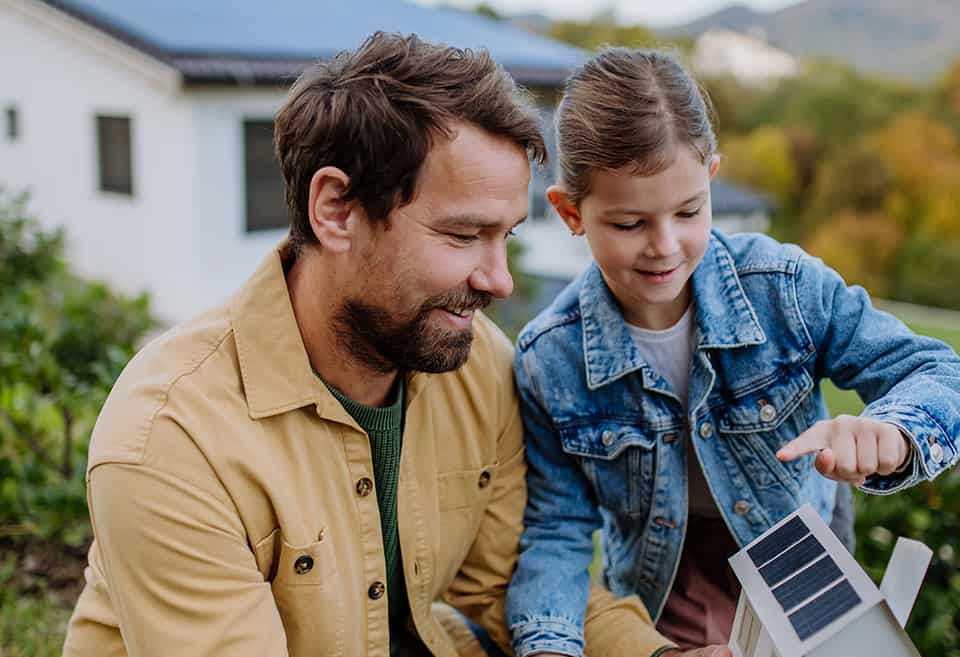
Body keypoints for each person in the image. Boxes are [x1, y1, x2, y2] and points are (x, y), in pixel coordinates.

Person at [61, 33, 704, 657]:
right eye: (462, 236)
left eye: (504, 235)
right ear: (337, 210)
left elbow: (516, 581)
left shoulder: (478, 364)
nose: (500, 281)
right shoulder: (171, 439)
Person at [505, 47, 960, 657]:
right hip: (661, 602)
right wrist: (552, 646)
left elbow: (937, 371)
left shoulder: (787, 290)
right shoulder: (548, 360)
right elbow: (557, 532)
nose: (664, 246)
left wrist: (895, 432)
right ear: (569, 212)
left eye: (689, 211)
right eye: (629, 224)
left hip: (808, 585)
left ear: (712, 178)